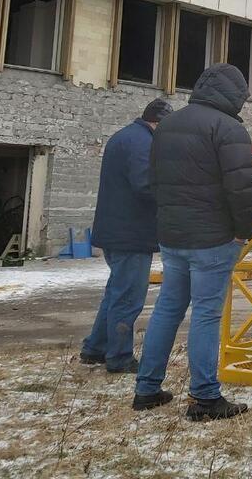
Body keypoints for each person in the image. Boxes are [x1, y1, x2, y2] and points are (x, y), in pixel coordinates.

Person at [133, 64, 252, 420]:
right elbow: (242, 189)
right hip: (213, 238)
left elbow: (153, 181)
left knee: (167, 308)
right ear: (234, 95)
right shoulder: (229, 128)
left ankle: (147, 388)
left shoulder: (168, 125)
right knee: (206, 313)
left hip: (173, 236)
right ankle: (205, 397)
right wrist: (242, 230)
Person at [81, 99, 173, 373]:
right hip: (130, 234)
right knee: (129, 297)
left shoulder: (124, 136)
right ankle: (119, 358)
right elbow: (145, 184)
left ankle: (95, 348)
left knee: (116, 293)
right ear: (158, 123)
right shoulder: (143, 143)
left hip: (116, 231)